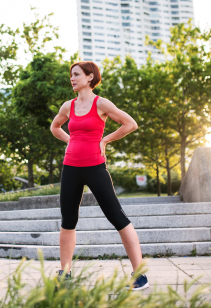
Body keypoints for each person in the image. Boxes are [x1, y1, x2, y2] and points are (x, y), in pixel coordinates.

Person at [49, 61, 149, 291]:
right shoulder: (68, 106)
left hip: (95, 167)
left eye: (76, 74)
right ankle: (65, 274)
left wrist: (105, 139)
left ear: (90, 76)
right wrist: (69, 140)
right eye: (71, 75)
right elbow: (55, 127)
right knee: (68, 221)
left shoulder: (101, 103)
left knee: (117, 217)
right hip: (71, 168)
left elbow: (130, 124)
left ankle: (140, 275)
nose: (72, 78)